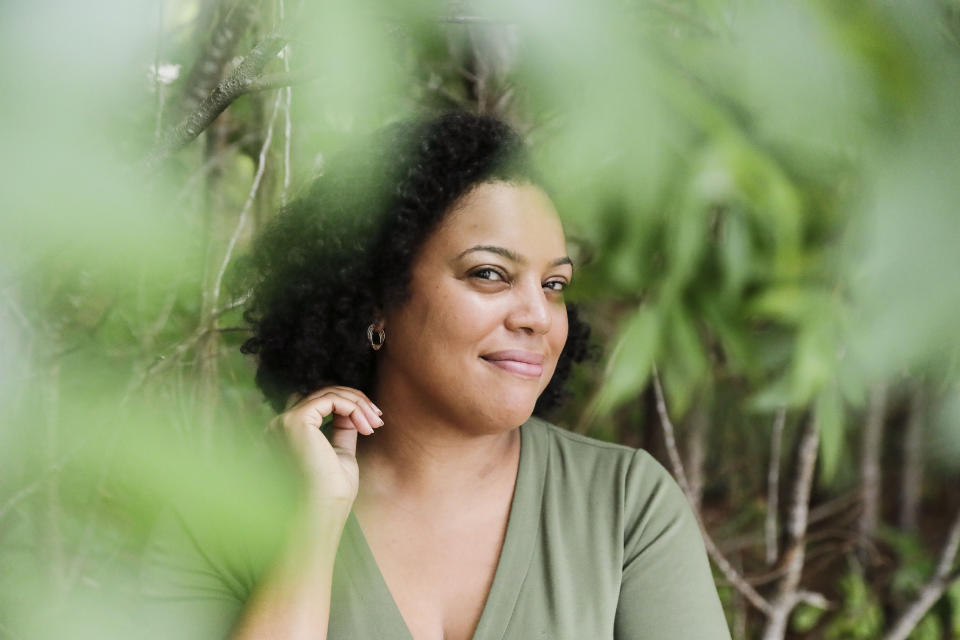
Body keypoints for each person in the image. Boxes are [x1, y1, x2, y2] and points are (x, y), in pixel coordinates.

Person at [147, 111, 731, 639]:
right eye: (490, 274)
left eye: (553, 285)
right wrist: (313, 526)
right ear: (377, 294)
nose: (537, 317)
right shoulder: (219, 511)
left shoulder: (625, 504)